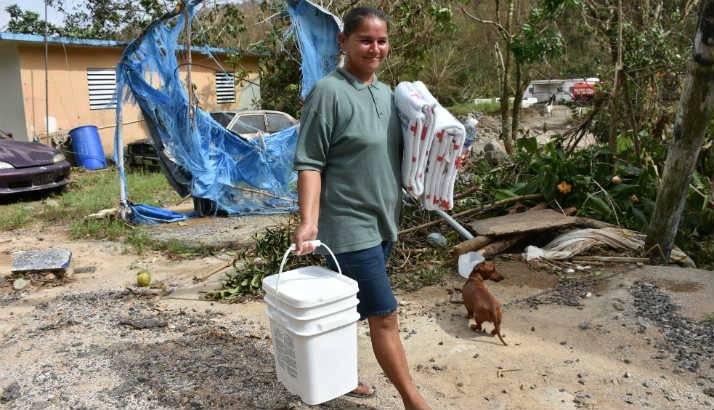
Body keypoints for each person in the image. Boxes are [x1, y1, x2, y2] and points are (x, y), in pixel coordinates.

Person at [291, 7, 431, 410]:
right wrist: (308, 222)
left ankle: (338, 375)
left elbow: (411, 151)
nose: (375, 48)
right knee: (383, 314)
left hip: (385, 221)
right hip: (349, 226)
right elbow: (310, 163)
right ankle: (413, 400)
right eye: (365, 40)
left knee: (348, 308)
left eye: (382, 40)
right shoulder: (328, 93)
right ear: (344, 42)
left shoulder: (389, 95)